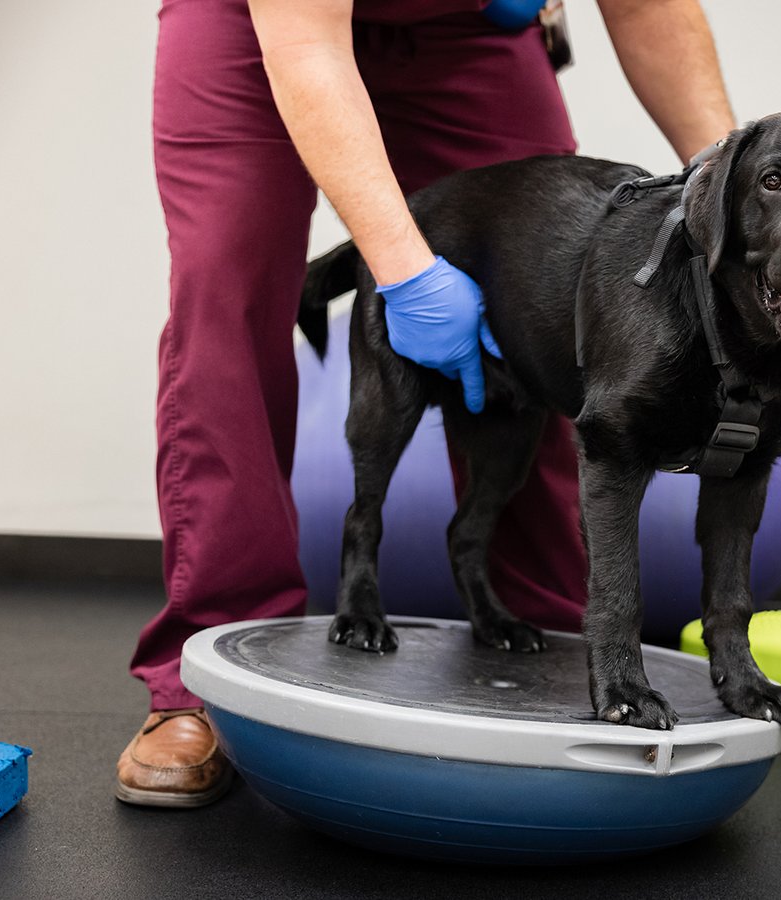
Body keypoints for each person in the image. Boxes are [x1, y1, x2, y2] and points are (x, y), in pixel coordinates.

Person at [116, 0, 736, 808]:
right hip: (262, 26)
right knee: (224, 313)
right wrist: (404, 269)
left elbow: (646, 7)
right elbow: (307, 45)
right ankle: (197, 683)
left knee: (554, 296)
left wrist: (736, 199)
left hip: (475, 26)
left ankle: (551, 640)